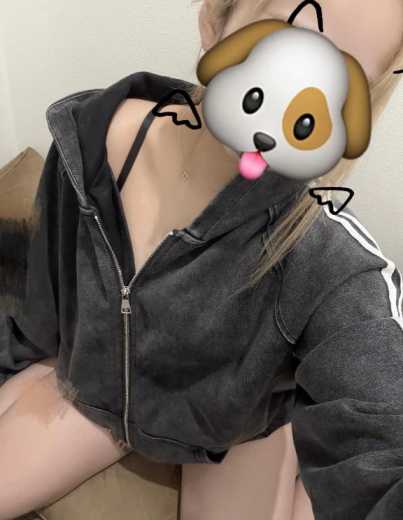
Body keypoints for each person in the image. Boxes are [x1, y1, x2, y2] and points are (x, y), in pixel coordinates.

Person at [0, 1, 402, 519]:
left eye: (345, 81)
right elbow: (44, 299)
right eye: (289, 43)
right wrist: (38, 365)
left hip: (237, 430)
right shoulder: (89, 138)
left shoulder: (325, 257)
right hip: (107, 396)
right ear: (216, 21)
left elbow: (379, 434)